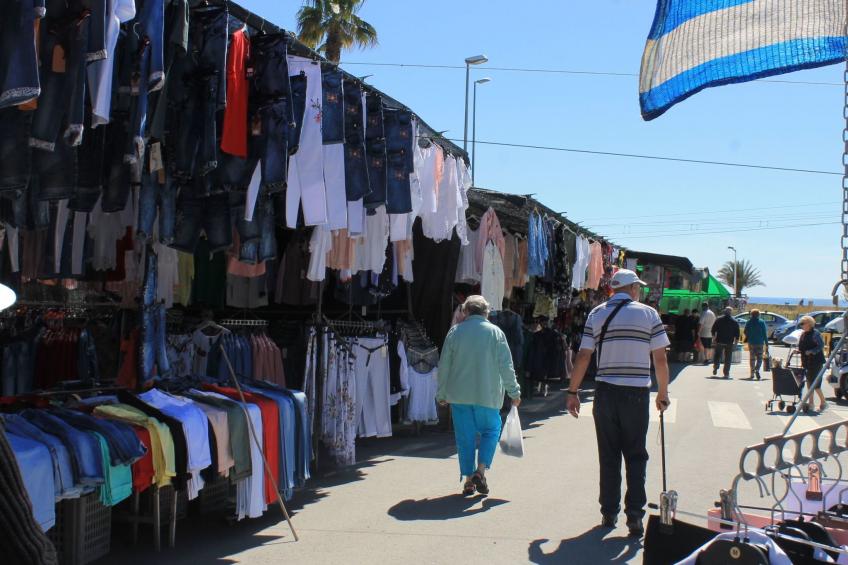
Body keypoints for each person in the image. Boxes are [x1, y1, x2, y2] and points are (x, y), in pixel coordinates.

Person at [566, 269, 671, 538]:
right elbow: (660, 359)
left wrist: (572, 391)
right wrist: (662, 393)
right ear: (633, 288)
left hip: (606, 393)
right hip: (635, 394)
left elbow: (584, 355)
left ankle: (608, 512)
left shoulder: (596, 314)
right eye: (639, 287)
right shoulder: (648, 314)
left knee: (609, 454)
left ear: (614, 289)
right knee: (636, 455)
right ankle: (635, 516)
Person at [437, 295, 521, 496]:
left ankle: (468, 480)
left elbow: (444, 366)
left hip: (459, 396)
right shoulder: (496, 333)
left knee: (464, 438)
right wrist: (514, 391)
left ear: (465, 312)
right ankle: (480, 471)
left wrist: (441, 393)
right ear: (487, 312)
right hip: (488, 395)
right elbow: (506, 366)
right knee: (491, 431)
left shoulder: (455, 333)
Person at [798, 315, 827, 412]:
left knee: (813, 383)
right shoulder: (803, 334)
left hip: (816, 361)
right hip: (806, 361)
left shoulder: (815, 334)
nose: (801, 325)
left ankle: (818, 403)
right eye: (801, 323)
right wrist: (798, 351)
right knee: (811, 383)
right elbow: (802, 347)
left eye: (803, 323)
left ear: (809, 324)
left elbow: (821, 345)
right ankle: (816, 403)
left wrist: (812, 351)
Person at [712, 307, 740, 378]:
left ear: (724, 312)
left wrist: (714, 339)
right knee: (728, 358)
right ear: (731, 312)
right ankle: (726, 373)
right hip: (729, 342)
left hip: (719, 341)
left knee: (717, 355)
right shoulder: (734, 321)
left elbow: (713, 330)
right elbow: (737, 334)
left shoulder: (718, 319)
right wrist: (736, 344)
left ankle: (716, 365)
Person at [744, 310, 769, 380]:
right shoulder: (761, 322)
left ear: (751, 315)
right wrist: (767, 343)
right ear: (758, 315)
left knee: (752, 358)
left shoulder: (748, 322)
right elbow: (764, 333)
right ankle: (757, 369)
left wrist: (750, 336)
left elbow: (745, 331)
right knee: (759, 358)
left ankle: (752, 374)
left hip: (751, 342)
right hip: (760, 342)